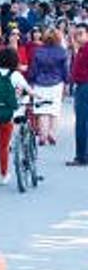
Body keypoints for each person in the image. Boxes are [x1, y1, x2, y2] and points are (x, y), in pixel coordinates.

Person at [0, 48, 32, 187]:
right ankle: (4, 174)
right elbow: (29, 90)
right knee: (4, 146)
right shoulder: (16, 75)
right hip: (8, 114)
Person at [29, 27, 69, 146]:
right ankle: (52, 133)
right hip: (56, 83)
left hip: (40, 83)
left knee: (43, 110)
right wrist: (67, 82)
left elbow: (34, 69)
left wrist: (31, 80)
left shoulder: (39, 51)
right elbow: (65, 70)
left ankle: (43, 135)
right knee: (54, 110)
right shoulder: (62, 51)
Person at [68, 23, 88, 167]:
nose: (77, 36)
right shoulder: (81, 49)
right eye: (76, 34)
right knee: (82, 122)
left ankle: (81, 156)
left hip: (84, 86)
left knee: (82, 122)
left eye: (81, 33)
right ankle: (82, 155)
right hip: (81, 85)